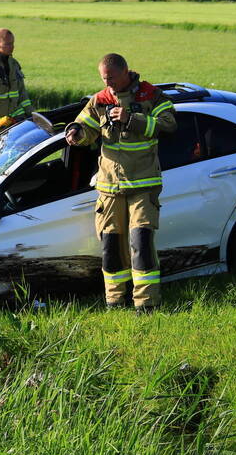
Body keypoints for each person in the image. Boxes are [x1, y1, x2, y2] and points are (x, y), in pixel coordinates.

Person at [64, 53, 177, 312]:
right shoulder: (100, 100)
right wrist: (75, 133)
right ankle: (115, 302)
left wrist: (131, 119)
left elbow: (169, 125)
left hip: (142, 185)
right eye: (105, 79)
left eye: (112, 78)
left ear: (126, 72)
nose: (109, 84)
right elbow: (85, 126)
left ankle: (147, 305)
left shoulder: (150, 96)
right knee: (111, 247)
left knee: (142, 244)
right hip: (109, 188)